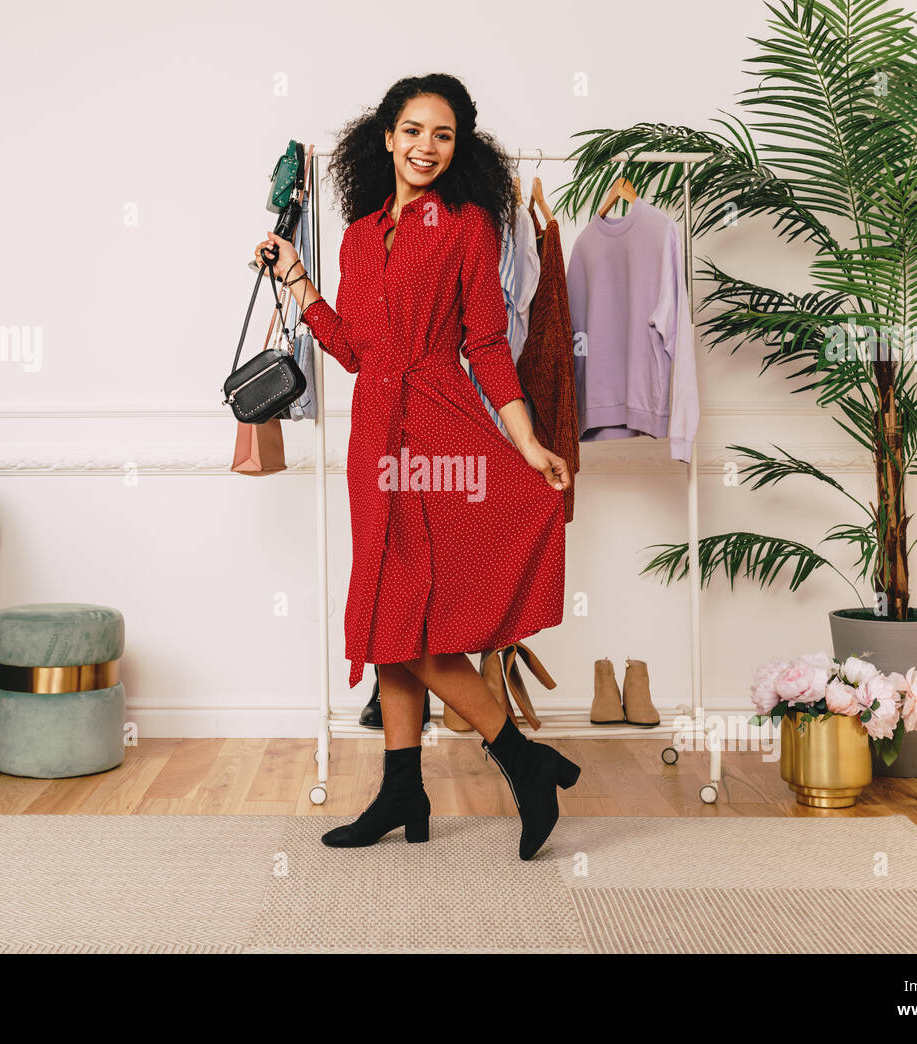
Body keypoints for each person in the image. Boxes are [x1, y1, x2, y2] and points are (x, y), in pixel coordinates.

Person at [251, 73, 579, 861]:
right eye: (412, 130)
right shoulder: (361, 235)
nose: (425, 146)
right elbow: (359, 352)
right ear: (386, 138)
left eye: (442, 134)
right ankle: (405, 790)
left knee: (409, 620)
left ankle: (521, 761)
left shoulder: (466, 227)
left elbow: (488, 346)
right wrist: (300, 283)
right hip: (375, 437)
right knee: (389, 618)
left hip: (438, 432)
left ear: (458, 147)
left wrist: (528, 443)